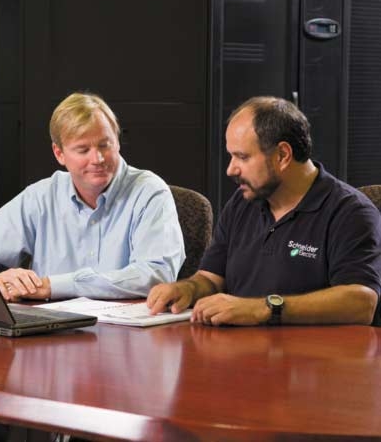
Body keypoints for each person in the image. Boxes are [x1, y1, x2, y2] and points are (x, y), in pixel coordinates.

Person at [0, 92, 185, 442]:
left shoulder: (149, 193)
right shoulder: (42, 195)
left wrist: (52, 285)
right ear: (60, 154)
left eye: (106, 144)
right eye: (83, 149)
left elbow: (156, 273)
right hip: (45, 343)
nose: (98, 158)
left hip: (123, 353)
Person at [148, 96, 381, 326]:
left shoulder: (351, 212)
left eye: (242, 157)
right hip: (239, 352)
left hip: (312, 358)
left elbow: (361, 302)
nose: (230, 169)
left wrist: (265, 308)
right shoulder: (243, 201)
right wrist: (186, 288)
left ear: (282, 155)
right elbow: (211, 278)